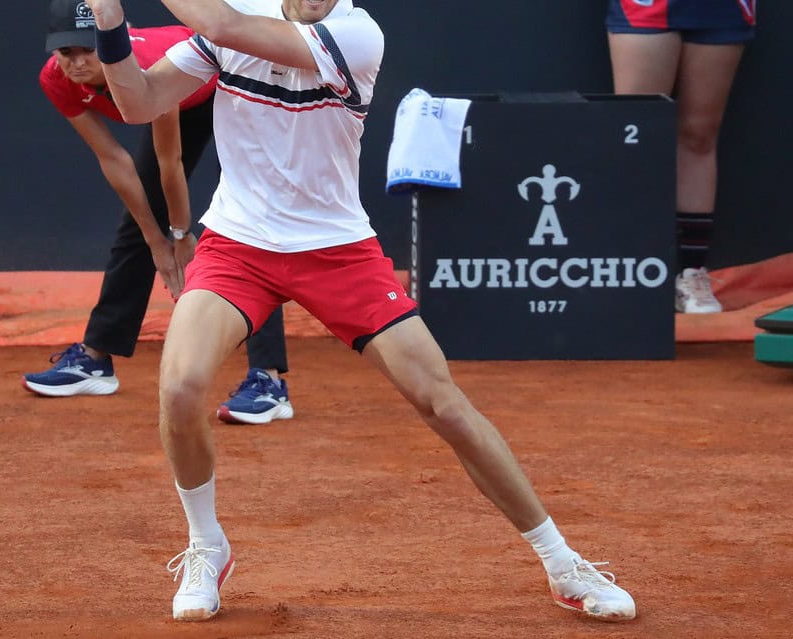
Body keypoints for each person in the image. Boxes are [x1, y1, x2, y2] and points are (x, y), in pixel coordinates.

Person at [84, 0, 637, 623]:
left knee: (442, 403)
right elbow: (139, 102)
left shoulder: (355, 33)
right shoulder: (235, 21)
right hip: (238, 244)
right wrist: (108, 25)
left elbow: (225, 26)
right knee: (181, 389)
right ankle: (206, 546)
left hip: (338, 251)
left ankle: (564, 564)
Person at [25, 0, 295, 426]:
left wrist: (181, 235)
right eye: (66, 52)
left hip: (229, 83)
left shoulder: (146, 67)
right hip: (174, 101)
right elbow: (115, 160)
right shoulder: (56, 80)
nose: (76, 63)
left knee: (249, 222)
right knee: (137, 225)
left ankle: (269, 380)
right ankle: (96, 358)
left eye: (87, 50)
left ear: (108, 43)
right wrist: (156, 242)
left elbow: (170, 160)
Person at [606, 0, 756, 313]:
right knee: (637, 136)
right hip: (648, 5)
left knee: (699, 135)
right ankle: (631, 270)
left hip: (720, 8)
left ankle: (691, 274)